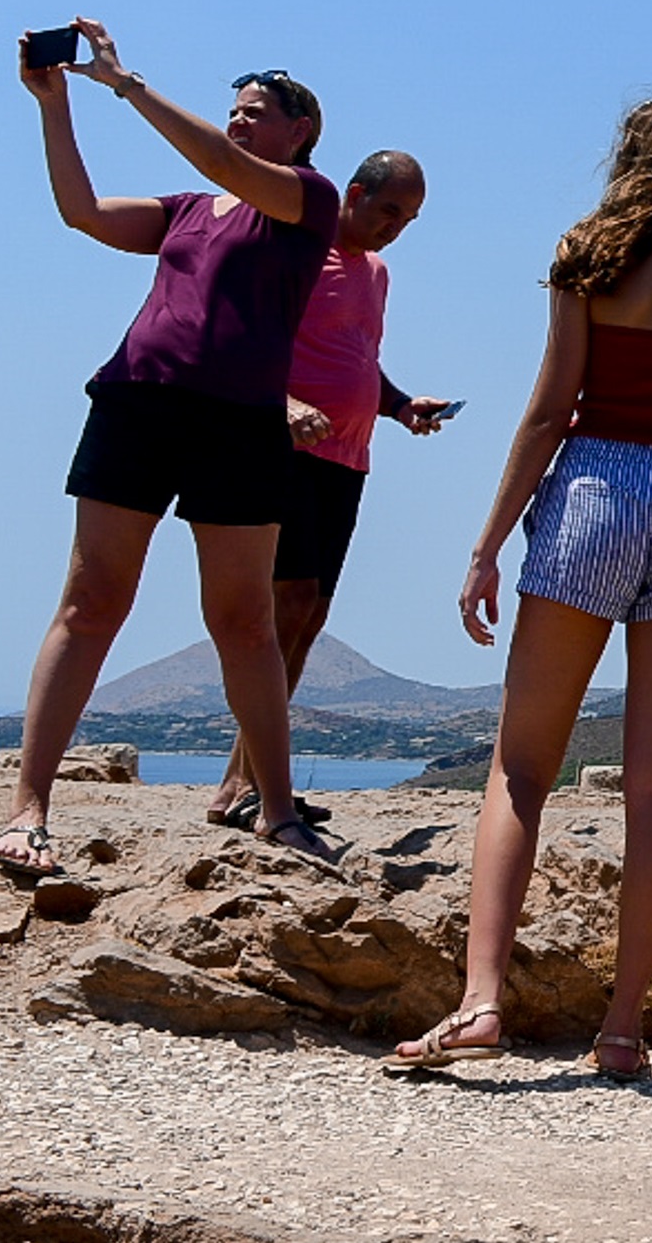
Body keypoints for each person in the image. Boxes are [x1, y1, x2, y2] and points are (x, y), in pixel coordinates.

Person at [391, 96, 652, 1080]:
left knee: (523, 767)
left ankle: (481, 1004)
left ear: (629, 163)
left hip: (595, 490)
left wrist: (484, 546)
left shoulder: (585, 253)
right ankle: (623, 1030)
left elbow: (548, 409)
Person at [7, 21, 348, 877]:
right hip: (137, 403)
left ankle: (274, 811)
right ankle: (29, 809)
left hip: (238, 422)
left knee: (244, 622)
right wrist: (56, 107)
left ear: (298, 129)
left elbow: (228, 169)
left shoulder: (309, 198)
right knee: (91, 601)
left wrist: (127, 84)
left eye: (255, 110)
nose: (238, 121)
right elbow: (83, 213)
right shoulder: (189, 213)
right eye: (233, 109)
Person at [201, 150, 458, 831]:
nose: (396, 227)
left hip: (347, 460)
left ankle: (255, 773)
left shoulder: (376, 273)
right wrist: (283, 403)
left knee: (307, 616)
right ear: (354, 193)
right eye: (389, 210)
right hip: (285, 449)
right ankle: (238, 782)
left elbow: (358, 360)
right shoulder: (300, 252)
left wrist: (402, 406)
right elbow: (242, 338)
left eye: (409, 217)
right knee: (281, 610)